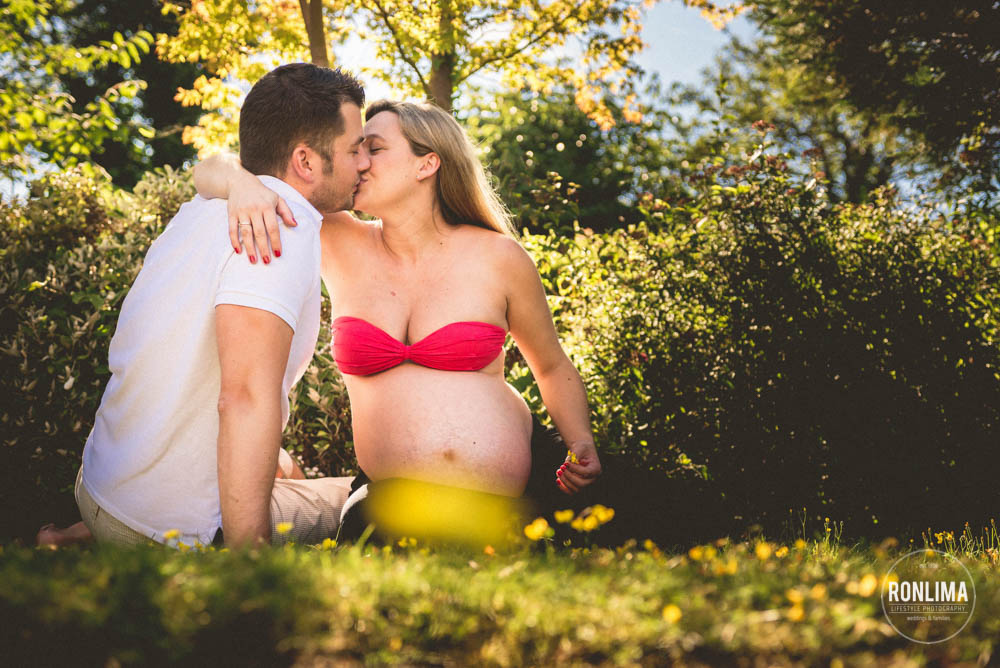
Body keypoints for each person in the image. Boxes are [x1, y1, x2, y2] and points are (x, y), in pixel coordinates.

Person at [192, 99, 604, 548]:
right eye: (357, 149)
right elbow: (207, 170)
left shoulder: (499, 257)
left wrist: (580, 439)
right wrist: (242, 184)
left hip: (500, 502)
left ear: (427, 164)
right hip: (385, 501)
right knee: (364, 529)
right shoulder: (339, 238)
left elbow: (550, 365)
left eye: (374, 148)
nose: (359, 162)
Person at [71, 63, 370, 548]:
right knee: (357, 499)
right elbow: (245, 399)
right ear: (306, 161)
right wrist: (247, 562)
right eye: (355, 149)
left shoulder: (205, 208)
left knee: (285, 466)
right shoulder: (276, 230)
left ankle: (76, 537)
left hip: (100, 487)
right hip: (165, 529)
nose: (365, 163)